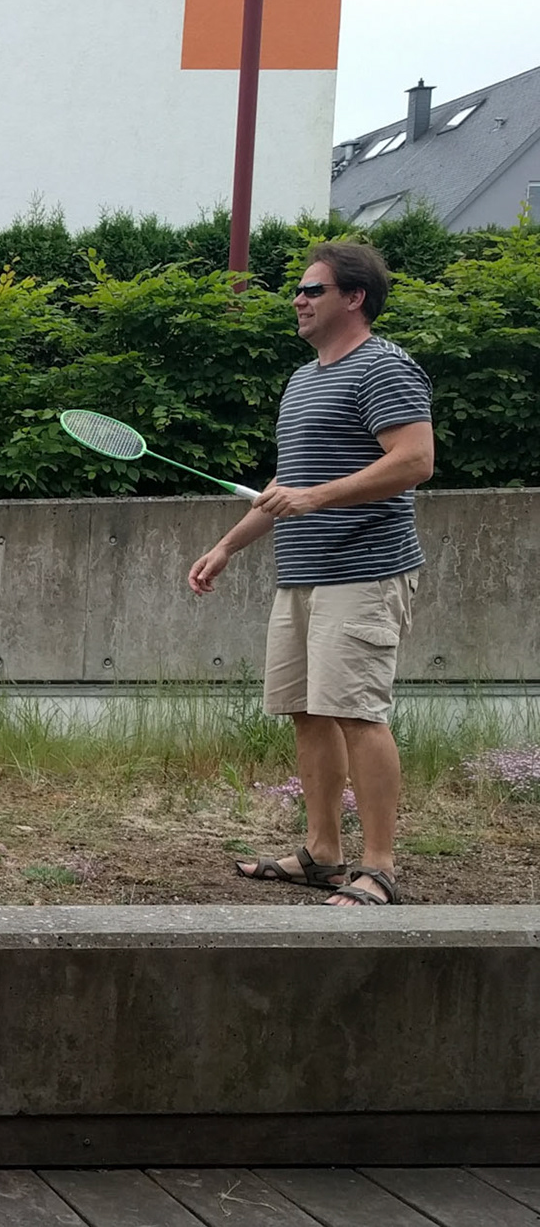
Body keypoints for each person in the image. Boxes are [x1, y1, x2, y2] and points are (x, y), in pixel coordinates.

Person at [189, 242, 435, 905]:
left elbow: (414, 460)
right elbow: (289, 482)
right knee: (306, 711)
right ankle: (323, 852)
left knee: (356, 713)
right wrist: (227, 546)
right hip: (302, 573)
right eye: (298, 290)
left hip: (364, 570)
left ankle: (379, 868)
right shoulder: (304, 379)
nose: (298, 300)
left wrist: (316, 499)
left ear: (354, 298)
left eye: (312, 290)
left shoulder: (384, 367)